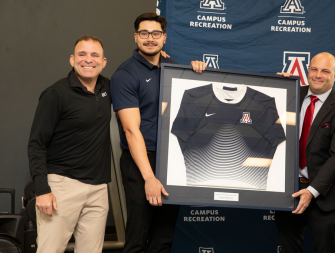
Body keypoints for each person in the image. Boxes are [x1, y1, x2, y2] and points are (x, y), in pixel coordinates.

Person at [110, 13, 206, 253]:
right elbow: (131, 131)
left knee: (163, 237)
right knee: (137, 236)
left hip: (173, 159)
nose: (149, 39)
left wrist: (197, 70)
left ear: (164, 38)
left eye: (155, 34)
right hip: (141, 160)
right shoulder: (125, 74)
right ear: (136, 37)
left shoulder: (174, 68)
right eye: (144, 33)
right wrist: (149, 177)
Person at [28, 35, 110, 253]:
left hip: (99, 188)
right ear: (72, 60)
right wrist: (42, 190)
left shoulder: (109, 88)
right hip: (61, 187)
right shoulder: (56, 94)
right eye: (82, 54)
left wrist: (165, 63)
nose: (88, 60)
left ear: (103, 62)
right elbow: (36, 144)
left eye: (95, 55)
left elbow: (148, 95)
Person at [275, 52, 335, 253]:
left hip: (324, 195)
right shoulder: (292, 93)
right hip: (290, 192)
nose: (318, 75)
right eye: (314, 69)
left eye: (325, 71)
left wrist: (311, 191)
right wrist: (277, 88)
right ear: (308, 71)